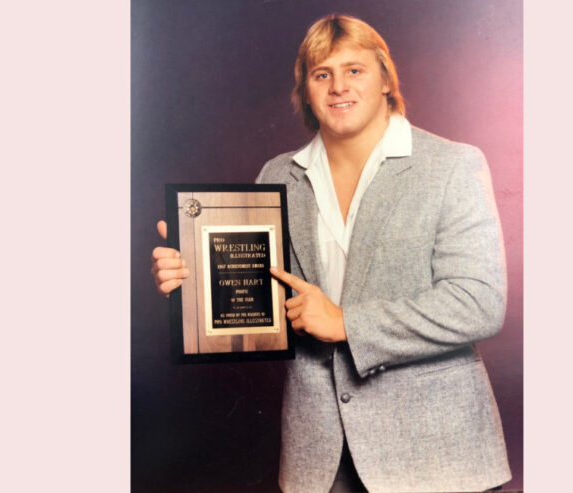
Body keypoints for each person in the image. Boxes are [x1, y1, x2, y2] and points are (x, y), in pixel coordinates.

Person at [153, 14, 511, 492]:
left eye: (355, 70)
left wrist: (346, 323)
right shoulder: (277, 175)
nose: (339, 86)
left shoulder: (452, 165)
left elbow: (479, 302)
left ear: (386, 79)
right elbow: (256, 301)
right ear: (305, 91)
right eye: (322, 74)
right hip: (319, 460)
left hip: (435, 453)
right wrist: (193, 276)